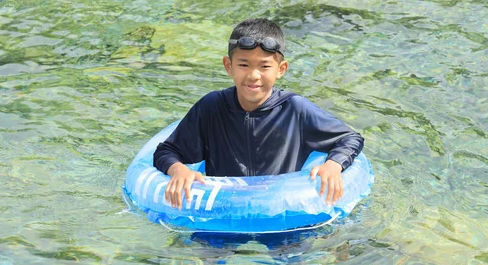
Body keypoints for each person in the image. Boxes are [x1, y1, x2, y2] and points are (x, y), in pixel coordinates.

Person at [154, 18, 364, 210]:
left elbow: (350, 138)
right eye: (243, 65)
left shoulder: (295, 109)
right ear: (229, 66)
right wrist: (178, 170)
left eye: (265, 66)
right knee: (203, 251)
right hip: (224, 212)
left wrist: (333, 165)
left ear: (281, 69)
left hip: (282, 212)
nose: (253, 76)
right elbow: (166, 151)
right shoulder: (212, 107)